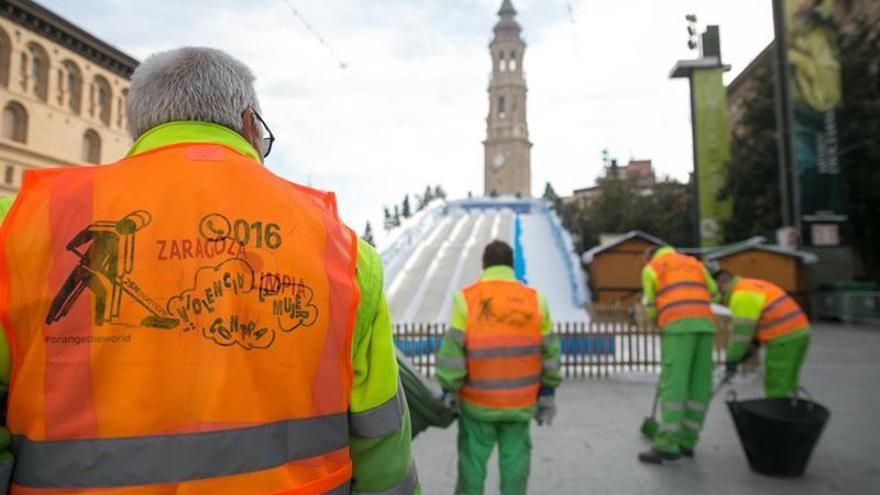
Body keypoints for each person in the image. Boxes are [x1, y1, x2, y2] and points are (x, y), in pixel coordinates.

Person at [0, 47, 417, 494]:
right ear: (249, 124)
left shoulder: (18, 227)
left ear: (139, 125)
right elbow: (381, 440)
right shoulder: (345, 251)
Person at [436, 240, 561, 495]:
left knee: (472, 466)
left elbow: (452, 354)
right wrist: (547, 392)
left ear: (484, 265)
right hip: (520, 404)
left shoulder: (466, 299)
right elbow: (550, 352)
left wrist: (449, 389)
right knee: (515, 466)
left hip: (477, 406)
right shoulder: (536, 301)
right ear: (511, 266)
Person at [638, 245, 718, 464]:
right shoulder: (695, 264)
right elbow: (713, 291)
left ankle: (667, 445)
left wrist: (657, 320)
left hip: (677, 325)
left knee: (674, 383)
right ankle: (687, 441)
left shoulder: (652, 268)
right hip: (704, 325)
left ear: (649, 256)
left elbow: (651, 305)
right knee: (699, 384)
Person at [714, 270, 811, 398]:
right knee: (788, 381)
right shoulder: (750, 285)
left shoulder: (742, 296)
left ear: (721, 284)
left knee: (776, 384)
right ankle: (790, 410)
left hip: (783, 338)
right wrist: (753, 345)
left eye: (717, 291)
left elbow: (741, 336)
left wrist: (732, 360)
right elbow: (757, 322)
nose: (719, 297)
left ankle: (776, 414)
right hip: (799, 332)